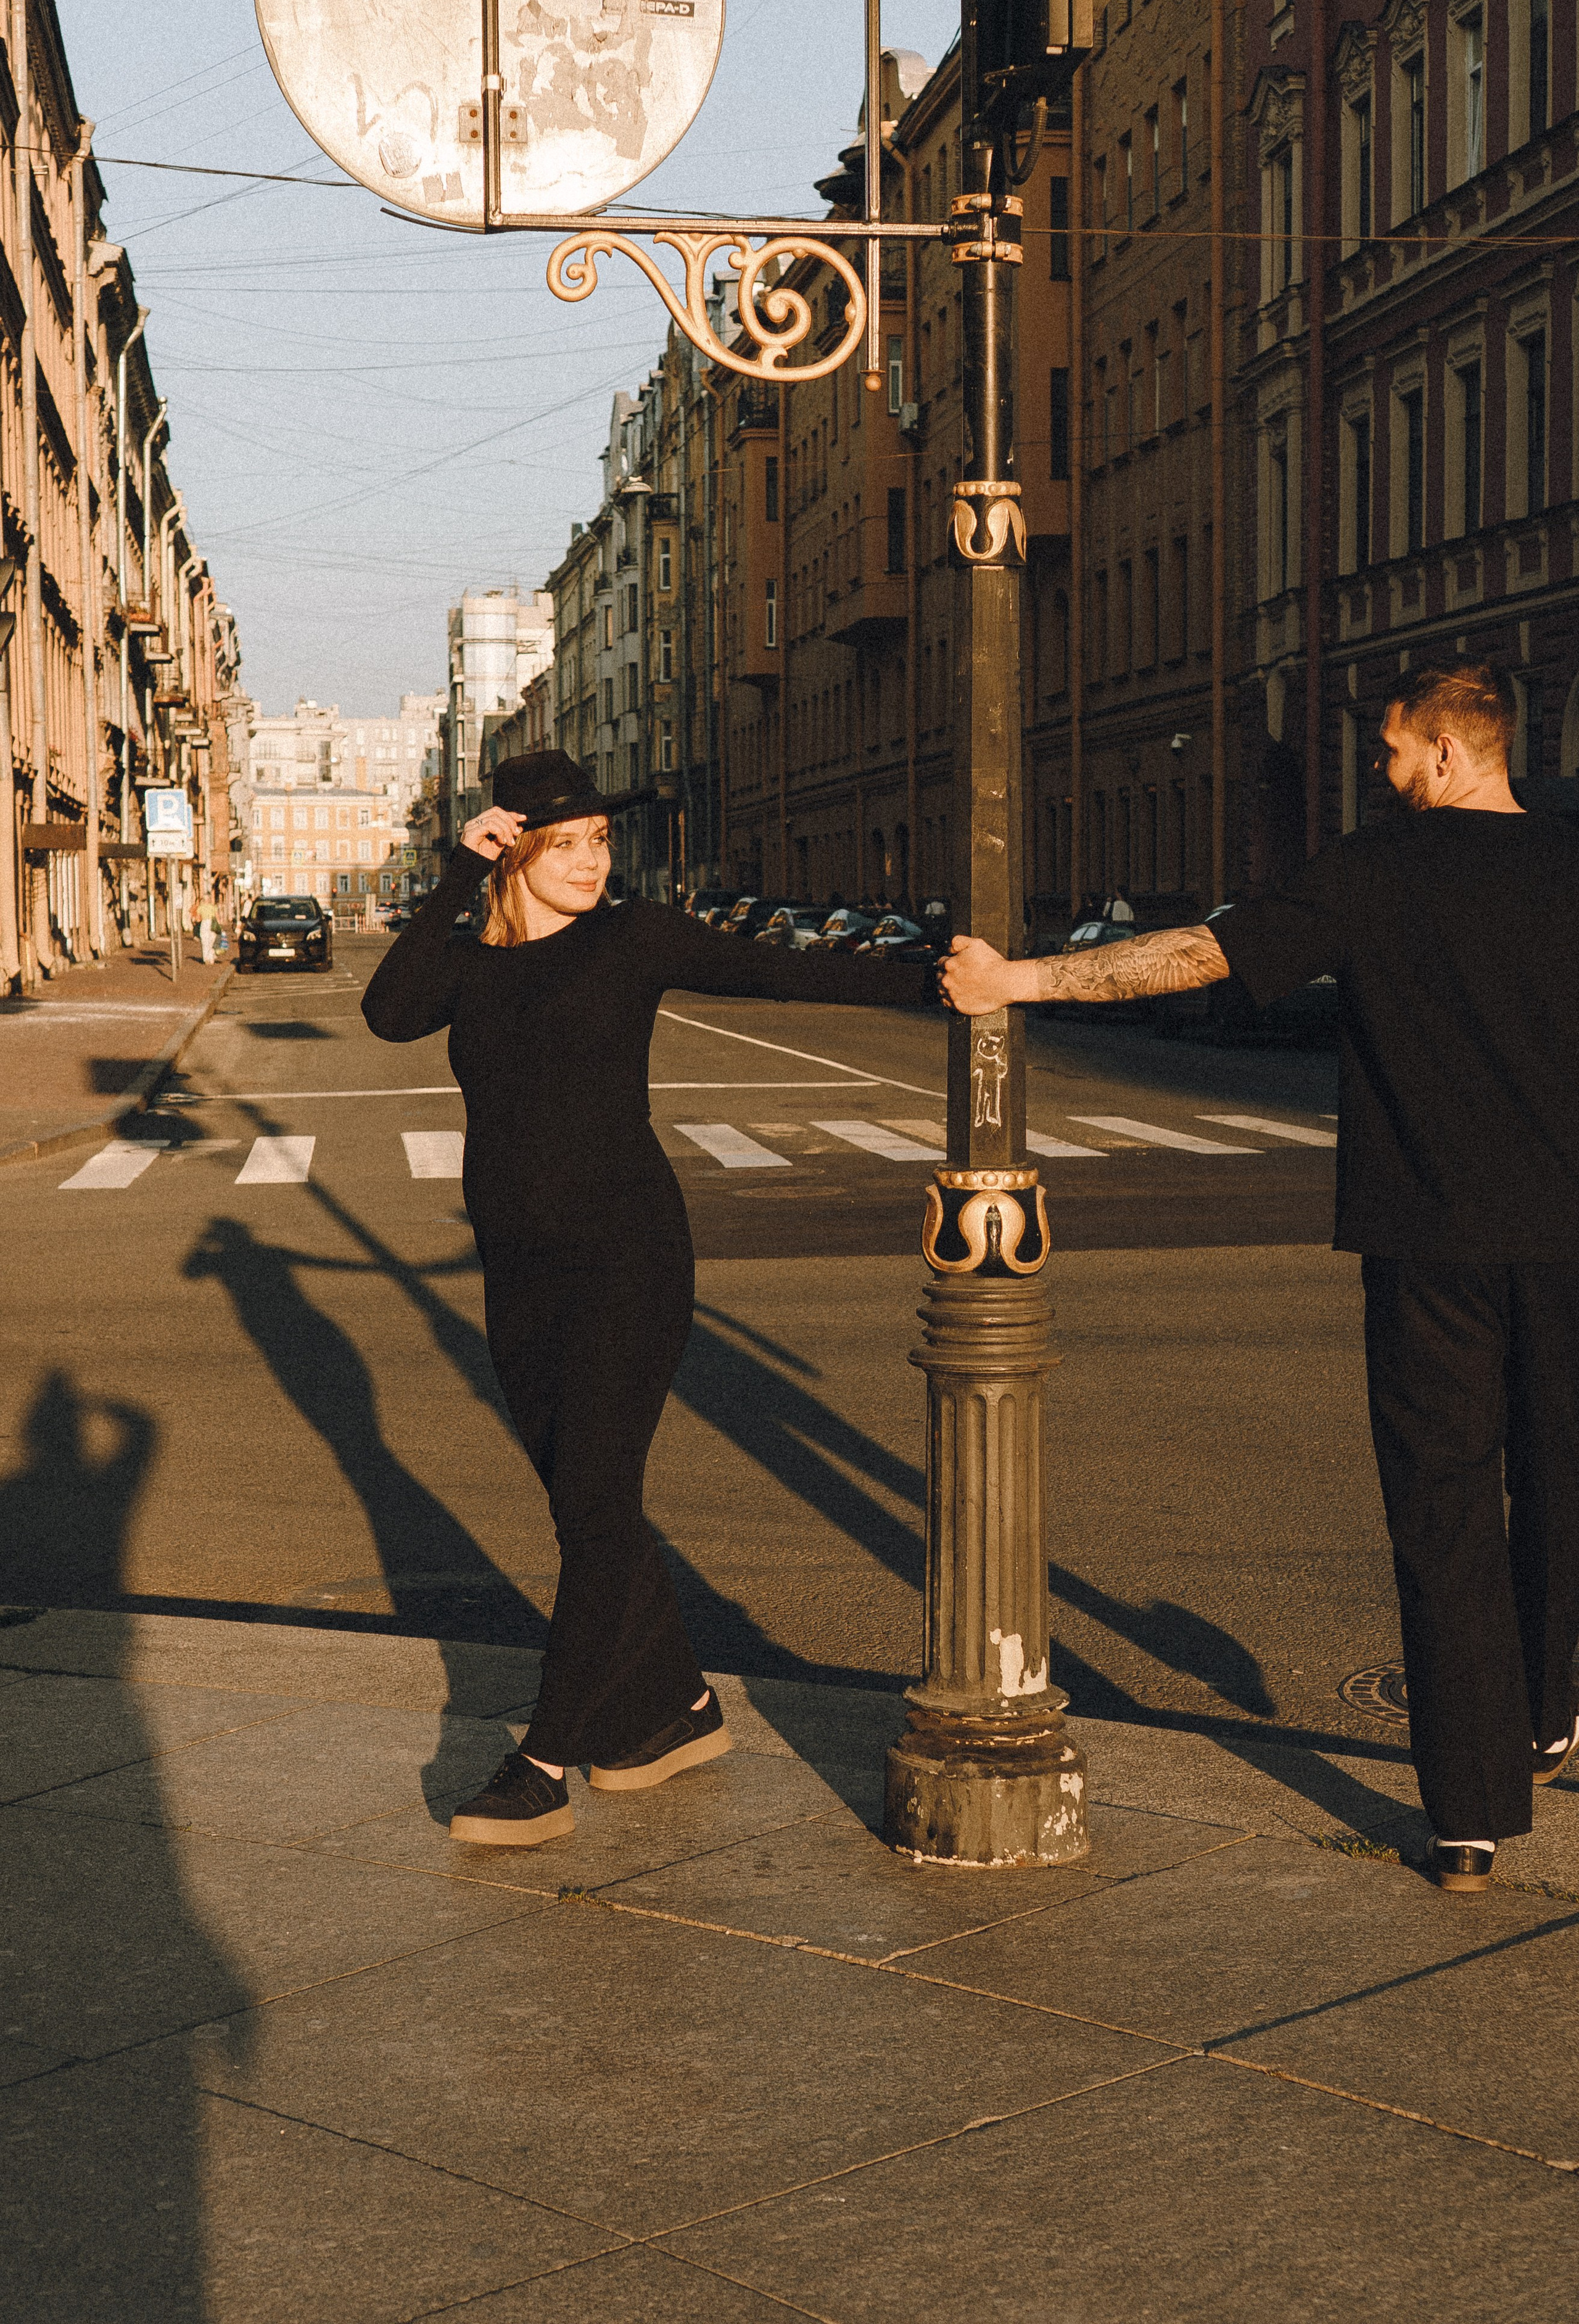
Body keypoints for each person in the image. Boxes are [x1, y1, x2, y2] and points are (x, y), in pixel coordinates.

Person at [940, 664, 1579, 1895]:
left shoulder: (1371, 869)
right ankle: (1548, 1709)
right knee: (1560, 1482)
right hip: (1570, 1233)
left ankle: (1468, 1816)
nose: (1384, 775)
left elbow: (1198, 958)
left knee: (1439, 1513)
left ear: (1445, 752)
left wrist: (1015, 982)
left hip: (1425, 1242)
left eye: (1393, 753)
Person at [362, 749, 932, 1848]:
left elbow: (778, 972)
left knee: (595, 1502)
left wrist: (937, 979)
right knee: (590, 1508)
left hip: (629, 1258)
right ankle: (673, 1708)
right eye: (564, 843)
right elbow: (390, 1014)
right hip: (520, 1273)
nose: (588, 861)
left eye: (599, 841)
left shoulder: (634, 938)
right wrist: (450, 873)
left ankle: (543, 1757)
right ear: (513, 849)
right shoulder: (471, 960)